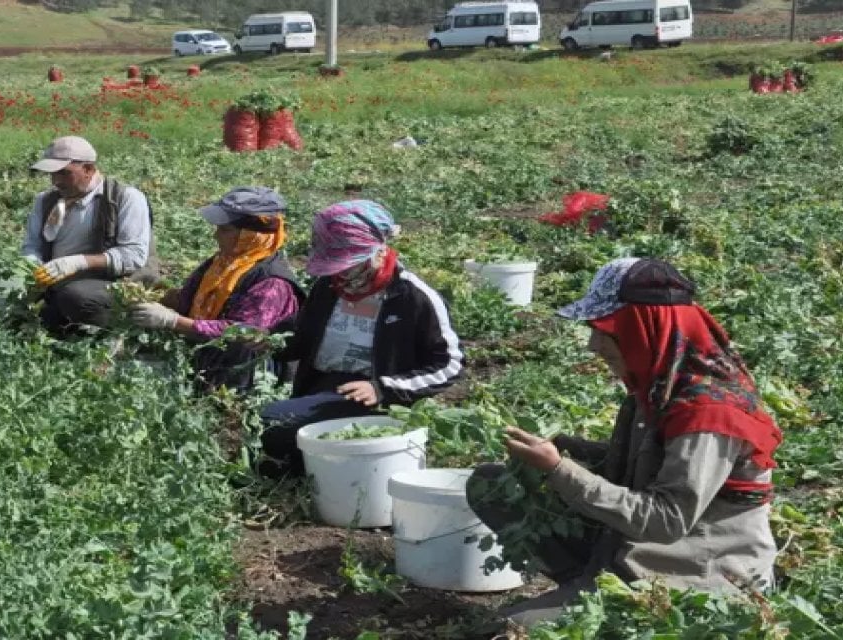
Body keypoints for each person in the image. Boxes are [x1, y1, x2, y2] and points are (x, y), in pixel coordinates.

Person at [467, 258, 782, 630]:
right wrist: (578, 450)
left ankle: (608, 601)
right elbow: (655, 460)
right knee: (493, 484)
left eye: (605, 330)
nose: (593, 345)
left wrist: (558, 469)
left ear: (643, 328)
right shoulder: (658, 385)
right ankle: (583, 583)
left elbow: (667, 520)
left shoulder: (709, 413)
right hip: (638, 548)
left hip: (698, 574)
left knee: (504, 632)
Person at [257, 200, 463, 478]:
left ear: (377, 251)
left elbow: (449, 364)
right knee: (268, 428)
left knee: (270, 422)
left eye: (348, 264)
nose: (341, 273)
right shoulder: (327, 288)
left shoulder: (412, 296)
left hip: (376, 401)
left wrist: (382, 388)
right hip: (322, 387)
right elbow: (303, 337)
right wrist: (271, 343)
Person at [130, 187, 305, 391]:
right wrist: (153, 296)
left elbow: (241, 334)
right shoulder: (225, 262)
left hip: (242, 376)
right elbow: (192, 299)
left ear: (251, 235)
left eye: (225, 229)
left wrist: (172, 321)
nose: (215, 235)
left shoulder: (272, 283)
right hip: (205, 356)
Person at [22, 136, 157, 333]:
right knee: (14, 295)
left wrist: (78, 262)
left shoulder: (126, 198)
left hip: (114, 283)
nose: (56, 181)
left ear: (89, 169)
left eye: (64, 173)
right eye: (52, 174)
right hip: (58, 283)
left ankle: (118, 330)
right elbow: (32, 245)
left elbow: (133, 256)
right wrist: (33, 268)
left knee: (75, 297)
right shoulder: (46, 201)